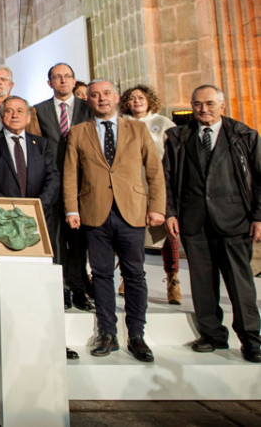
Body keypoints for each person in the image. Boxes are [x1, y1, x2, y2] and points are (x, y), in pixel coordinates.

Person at [64, 79, 165, 363]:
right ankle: (107, 333)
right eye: (95, 95)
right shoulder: (78, 132)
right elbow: (71, 174)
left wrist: (157, 207)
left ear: (116, 97)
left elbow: (155, 172)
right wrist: (72, 209)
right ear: (89, 102)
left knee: (135, 274)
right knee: (103, 275)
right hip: (94, 212)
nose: (101, 99)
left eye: (106, 94)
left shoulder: (138, 129)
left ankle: (136, 334)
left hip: (132, 211)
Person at [164, 84, 261, 363]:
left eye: (208, 103)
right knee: (202, 283)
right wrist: (170, 212)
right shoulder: (179, 137)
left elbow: (260, 178)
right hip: (195, 222)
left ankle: (251, 340)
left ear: (222, 105)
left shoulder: (244, 136)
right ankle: (211, 334)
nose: (203, 109)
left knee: (240, 284)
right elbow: (167, 178)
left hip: (234, 220)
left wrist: (258, 216)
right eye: (197, 104)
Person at [0, 96, 78, 360]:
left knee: (41, 284)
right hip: (3, 225)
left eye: (19, 111)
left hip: (38, 223)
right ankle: (9, 343)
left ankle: (51, 340)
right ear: (1, 116)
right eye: (8, 111)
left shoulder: (42, 145)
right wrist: (12, 210)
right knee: (9, 285)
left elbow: (53, 178)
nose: (14, 115)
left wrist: (35, 207)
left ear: (28, 116)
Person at [34, 63, 94, 311]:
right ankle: (61, 290)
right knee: (56, 239)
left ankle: (79, 289)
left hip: (83, 182)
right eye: (57, 77)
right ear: (49, 83)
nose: (62, 80)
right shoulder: (38, 111)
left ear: (74, 80)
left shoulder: (88, 109)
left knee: (79, 241)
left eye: (67, 76)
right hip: (52, 182)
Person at [119, 84, 181, 304]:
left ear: (149, 100)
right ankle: (130, 275)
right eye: (132, 98)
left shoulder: (162, 123)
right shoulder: (122, 124)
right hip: (131, 183)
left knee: (167, 231)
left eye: (141, 97)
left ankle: (172, 278)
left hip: (158, 182)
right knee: (131, 233)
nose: (137, 101)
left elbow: (174, 155)